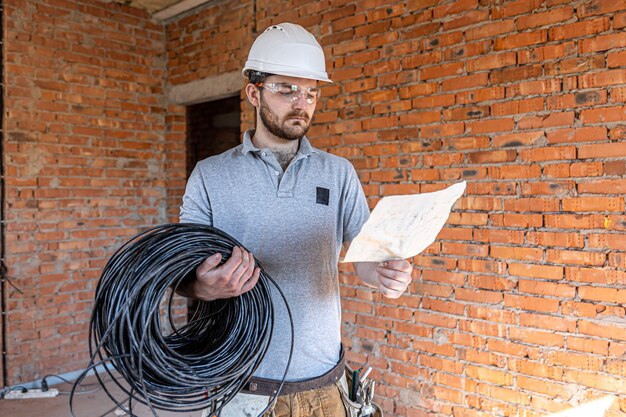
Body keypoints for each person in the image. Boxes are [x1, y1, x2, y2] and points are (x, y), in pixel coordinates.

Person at [178, 22, 413, 417]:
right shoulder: (210, 175)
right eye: (286, 89)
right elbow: (181, 274)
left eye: (310, 92)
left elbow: (366, 256)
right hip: (242, 387)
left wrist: (388, 276)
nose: (300, 102)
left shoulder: (338, 173)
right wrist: (205, 286)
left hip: (324, 383)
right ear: (255, 93)